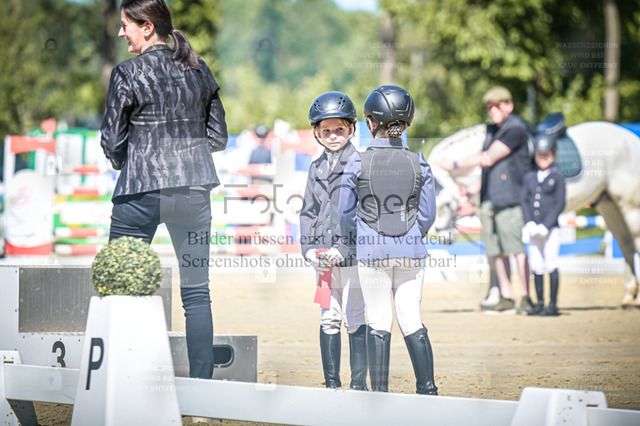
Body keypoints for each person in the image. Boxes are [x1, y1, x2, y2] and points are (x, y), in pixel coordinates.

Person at [100, 0, 227, 380]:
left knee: (120, 287)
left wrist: (131, 161)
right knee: (197, 293)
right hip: (193, 192)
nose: (121, 32)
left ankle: (123, 381)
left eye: (126, 25)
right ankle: (202, 388)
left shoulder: (126, 73)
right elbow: (218, 137)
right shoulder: (199, 69)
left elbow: (112, 141)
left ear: (147, 27)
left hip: (140, 191)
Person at [323, 85, 438, 395]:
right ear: (406, 123)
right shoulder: (420, 161)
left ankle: (380, 396)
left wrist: (360, 239)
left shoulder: (357, 163)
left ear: (371, 123)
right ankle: (428, 391)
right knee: (412, 320)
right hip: (412, 252)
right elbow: (428, 214)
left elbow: (345, 214)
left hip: (373, 253)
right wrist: (411, 236)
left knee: (379, 320)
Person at [439, 86, 534, 314]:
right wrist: (470, 191)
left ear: (509, 106)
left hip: (510, 199)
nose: (493, 110)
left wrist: (453, 165)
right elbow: (488, 171)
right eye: (490, 107)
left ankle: (526, 297)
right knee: (495, 251)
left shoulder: (515, 129)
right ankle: (506, 296)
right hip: (490, 199)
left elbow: (489, 159)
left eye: (497, 105)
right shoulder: (493, 131)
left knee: (517, 250)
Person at [299, 91, 368, 390]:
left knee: (354, 316)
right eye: (325, 131)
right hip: (323, 257)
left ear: (351, 128)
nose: (332, 136)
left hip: (351, 257)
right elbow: (308, 211)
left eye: (339, 129)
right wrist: (308, 249)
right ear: (317, 133)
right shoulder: (315, 167)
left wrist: (345, 247)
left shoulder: (360, 164)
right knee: (328, 316)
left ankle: (358, 384)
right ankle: (331, 384)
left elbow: (364, 213)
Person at [521, 133, 566, 316]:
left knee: (551, 262)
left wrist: (546, 225)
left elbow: (559, 203)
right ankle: (539, 303)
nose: (542, 158)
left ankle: (552, 304)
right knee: (536, 264)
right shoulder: (530, 177)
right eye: (540, 155)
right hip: (534, 229)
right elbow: (524, 200)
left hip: (550, 229)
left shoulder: (557, 177)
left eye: (546, 155)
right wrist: (529, 222)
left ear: (553, 155)